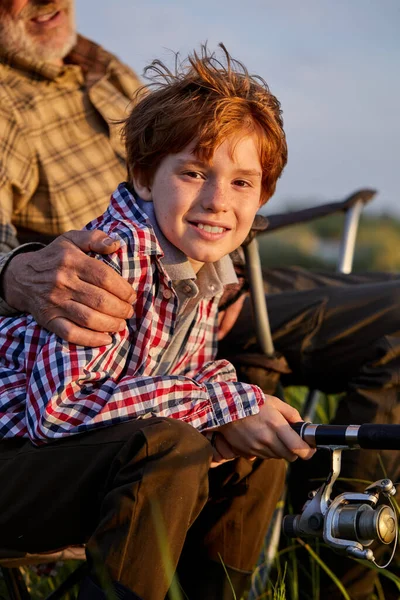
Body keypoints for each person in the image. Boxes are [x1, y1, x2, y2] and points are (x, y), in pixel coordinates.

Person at [0, 1, 399, 598]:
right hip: (21, 461)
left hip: (83, 454)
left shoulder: (201, 265)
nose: (218, 200)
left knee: (254, 450)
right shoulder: (110, 262)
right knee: (173, 444)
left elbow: (178, 374)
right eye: (193, 173)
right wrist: (218, 402)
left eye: (242, 183)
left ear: (263, 195)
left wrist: (240, 406)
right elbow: (56, 413)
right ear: (142, 176)